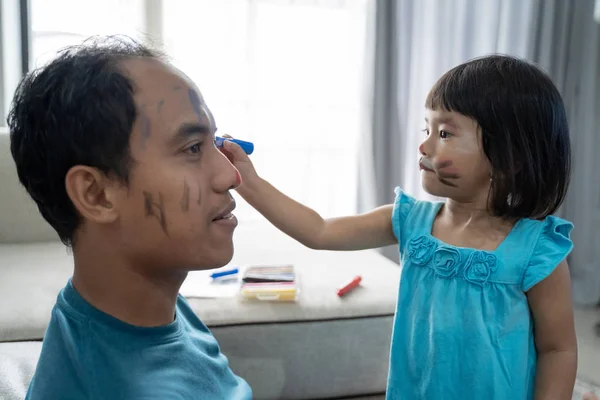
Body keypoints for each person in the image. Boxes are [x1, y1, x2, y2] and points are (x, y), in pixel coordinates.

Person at [223, 55, 578, 399]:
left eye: (445, 133)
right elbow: (318, 230)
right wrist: (247, 181)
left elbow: (558, 350)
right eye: (427, 129)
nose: (423, 145)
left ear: (510, 158)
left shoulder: (537, 251)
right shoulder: (410, 220)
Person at [7, 36, 251, 399]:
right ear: (96, 194)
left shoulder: (134, 305)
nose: (231, 175)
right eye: (193, 148)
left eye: (214, 143)